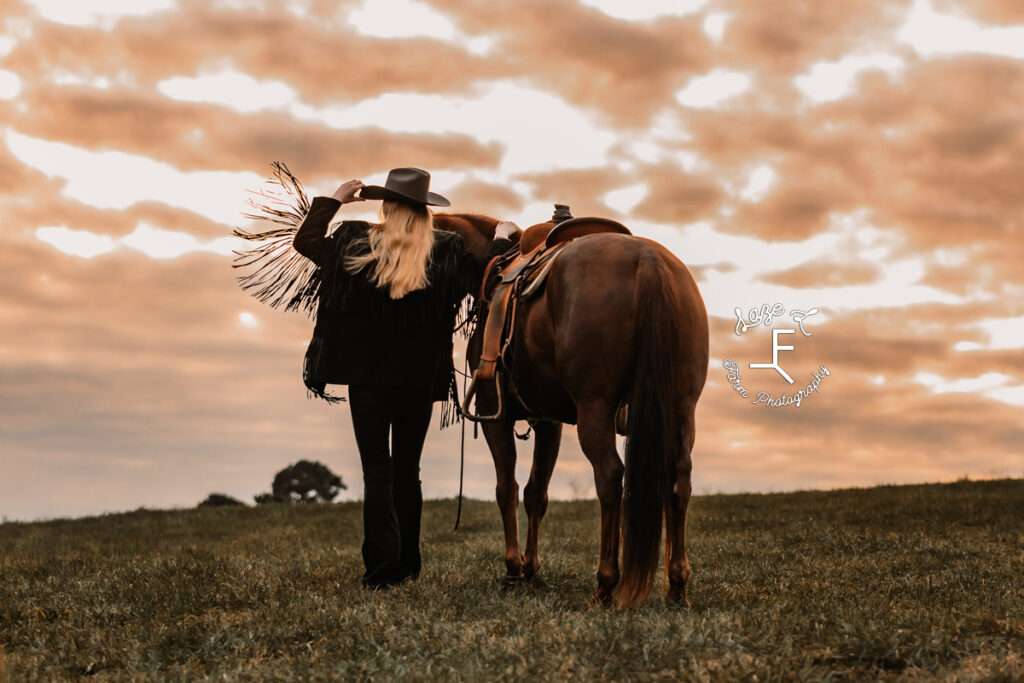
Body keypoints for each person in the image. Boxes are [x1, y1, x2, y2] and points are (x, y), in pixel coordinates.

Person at [292, 167, 516, 588]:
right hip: (419, 380)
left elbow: (304, 242)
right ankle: (409, 564)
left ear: (387, 207)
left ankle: (381, 571)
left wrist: (336, 199)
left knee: (377, 470)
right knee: (407, 470)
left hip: (367, 380)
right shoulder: (447, 253)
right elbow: (490, 270)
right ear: (426, 213)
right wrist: (502, 235)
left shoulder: (354, 244)